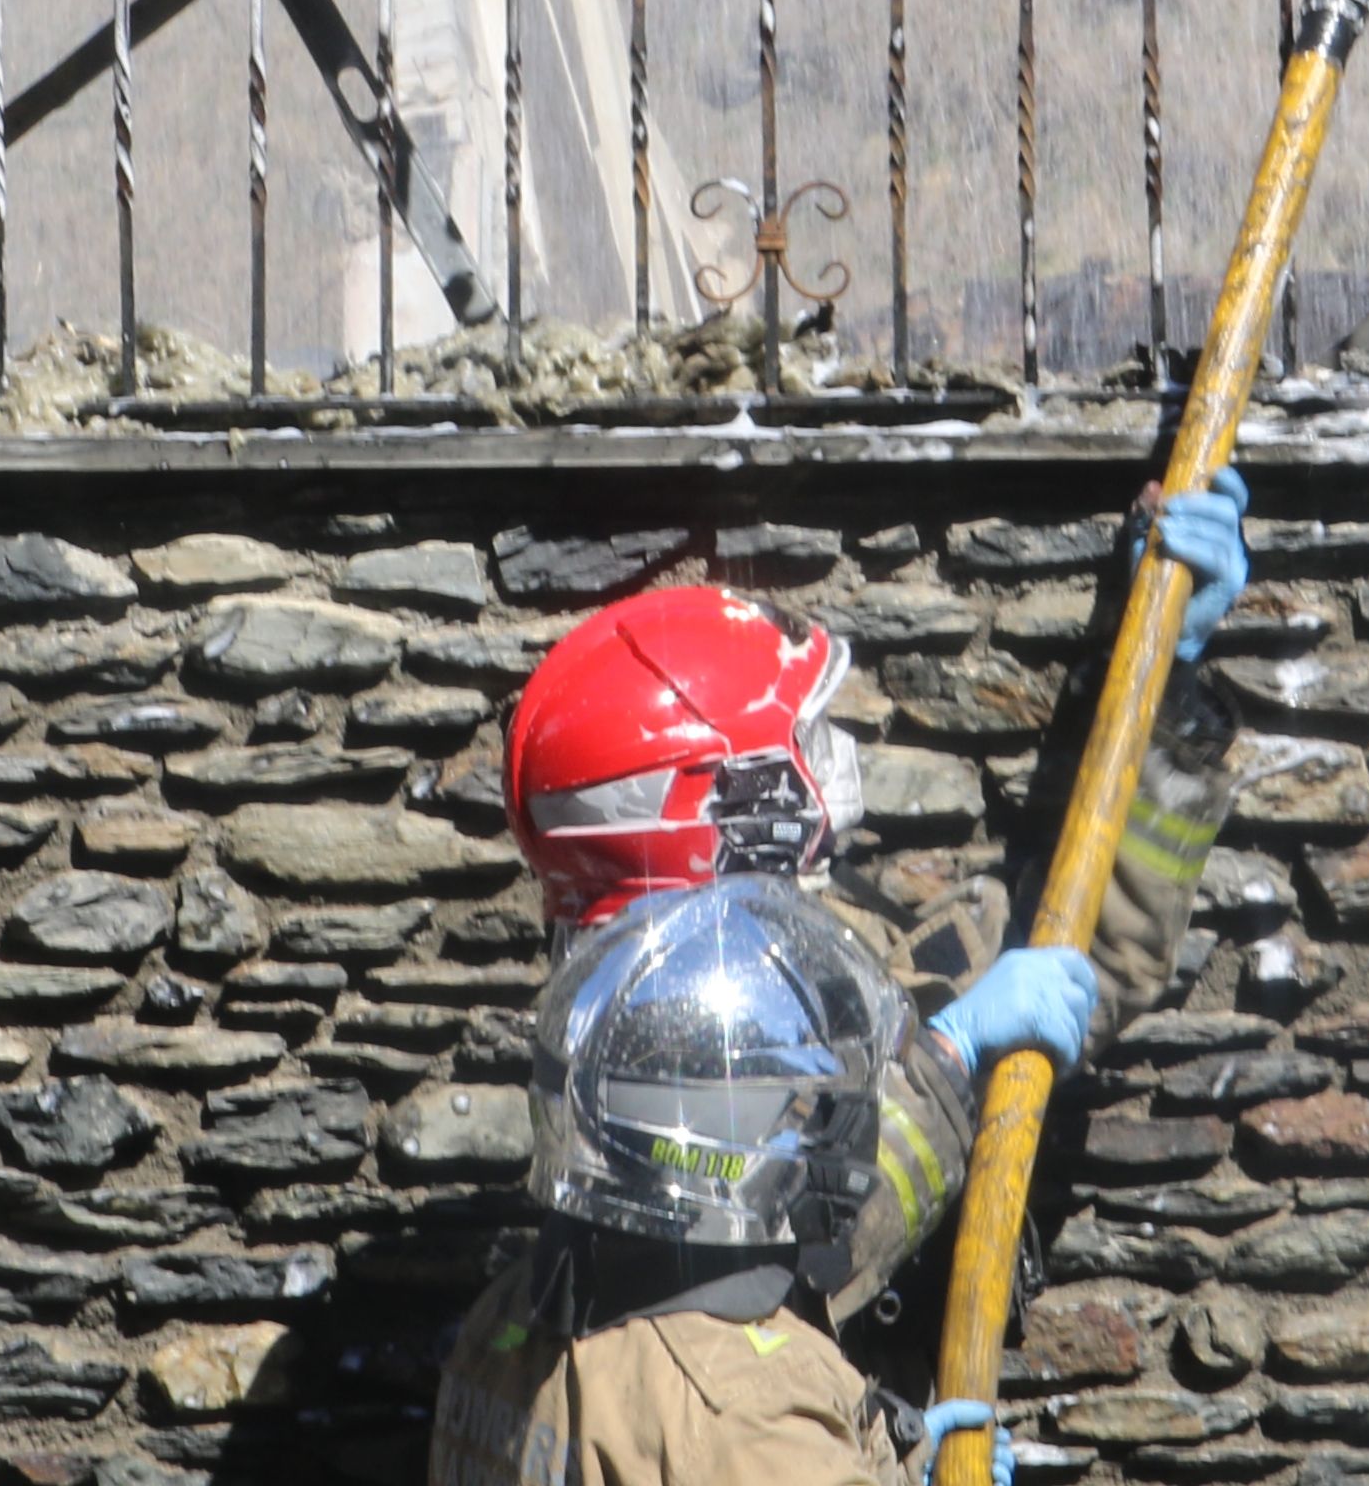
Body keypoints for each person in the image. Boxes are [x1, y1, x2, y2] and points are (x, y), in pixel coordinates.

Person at [492, 474, 1252, 1322]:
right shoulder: (637, 1062)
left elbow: (1084, 952)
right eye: (802, 738)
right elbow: (790, 1277)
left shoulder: (816, 952)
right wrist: (951, 1062)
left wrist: (1162, 684)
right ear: (713, 799)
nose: (833, 758)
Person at [423, 873, 1024, 1486]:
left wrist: (893, 1458)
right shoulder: (752, 1412)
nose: (819, 1131)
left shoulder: (508, 1314)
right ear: (715, 1141)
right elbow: (728, 1443)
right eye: (796, 1109)